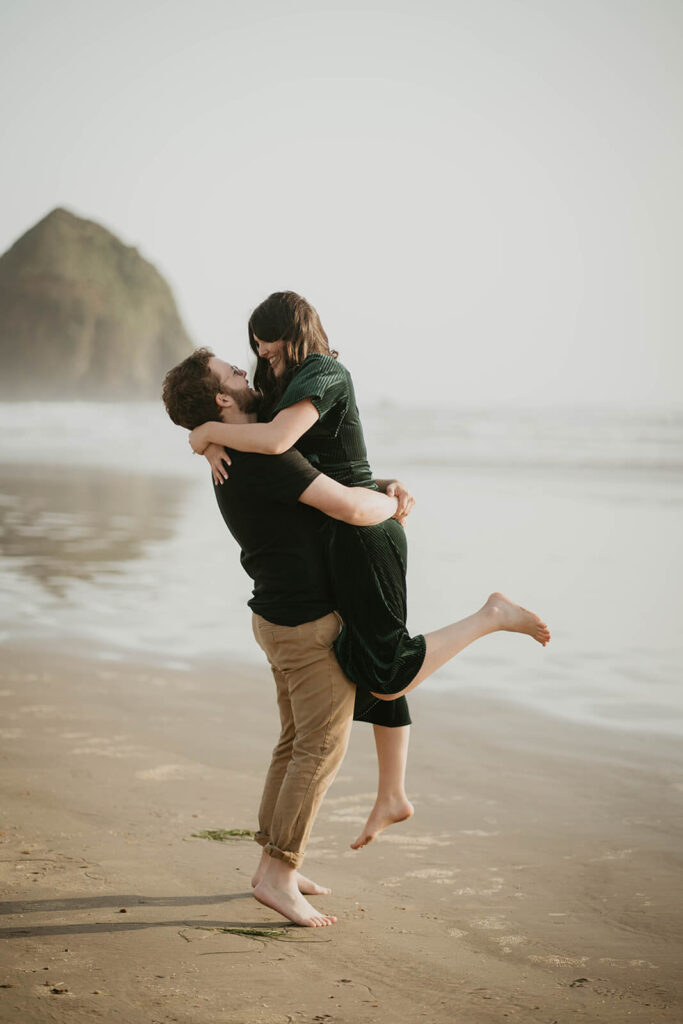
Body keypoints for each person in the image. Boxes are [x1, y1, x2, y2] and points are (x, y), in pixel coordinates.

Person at [189, 292, 551, 848]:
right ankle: (392, 794)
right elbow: (301, 451)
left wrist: (208, 434)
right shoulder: (280, 390)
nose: (258, 358)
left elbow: (286, 446)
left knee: (388, 667)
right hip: (347, 529)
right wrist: (201, 435)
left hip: (364, 532)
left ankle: (491, 615)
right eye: (251, 354)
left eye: (265, 346)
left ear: (291, 333)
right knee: (370, 660)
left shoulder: (324, 371)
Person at [162, 348, 411, 926]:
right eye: (234, 373)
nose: (246, 371)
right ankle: (277, 875)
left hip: (277, 618)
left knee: (295, 742)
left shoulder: (240, 451)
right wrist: (392, 503)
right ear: (224, 399)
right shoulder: (259, 458)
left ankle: (273, 866)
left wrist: (201, 435)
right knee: (319, 749)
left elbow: (326, 480)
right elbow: (348, 507)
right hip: (304, 624)